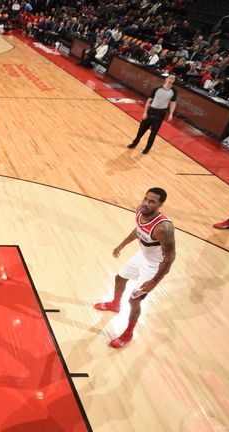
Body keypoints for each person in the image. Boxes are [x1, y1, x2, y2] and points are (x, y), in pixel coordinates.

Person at [94, 188, 176, 349]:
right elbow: (138, 230)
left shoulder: (164, 228)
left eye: (152, 201)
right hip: (142, 255)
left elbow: (170, 257)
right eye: (146, 198)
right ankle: (115, 304)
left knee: (134, 299)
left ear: (160, 205)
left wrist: (154, 281)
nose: (146, 203)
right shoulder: (140, 210)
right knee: (120, 278)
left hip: (155, 265)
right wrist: (122, 244)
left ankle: (128, 334)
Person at [128, 74, 177, 154]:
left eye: (173, 79)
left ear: (174, 81)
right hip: (151, 110)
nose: (171, 79)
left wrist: (171, 114)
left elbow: (173, 103)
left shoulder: (173, 91)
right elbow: (148, 102)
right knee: (142, 129)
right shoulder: (157, 89)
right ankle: (135, 142)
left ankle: (147, 148)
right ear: (166, 79)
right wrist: (145, 112)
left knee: (154, 132)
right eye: (170, 78)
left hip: (161, 113)